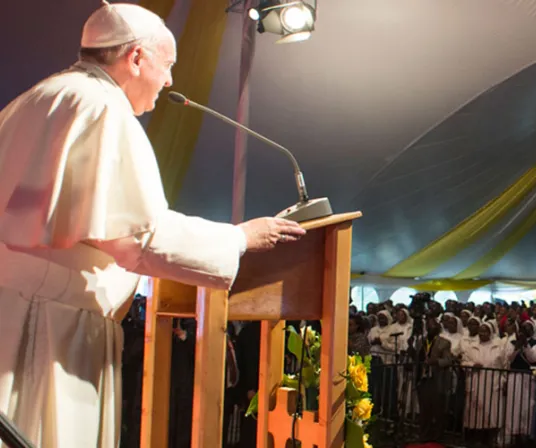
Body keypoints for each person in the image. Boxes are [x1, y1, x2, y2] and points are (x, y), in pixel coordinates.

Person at [0, 2, 306, 447]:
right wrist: (240, 238)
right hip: (49, 328)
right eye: (168, 65)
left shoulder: (36, 98)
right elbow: (138, 237)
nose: (169, 81)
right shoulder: (102, 106)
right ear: (136, 57)